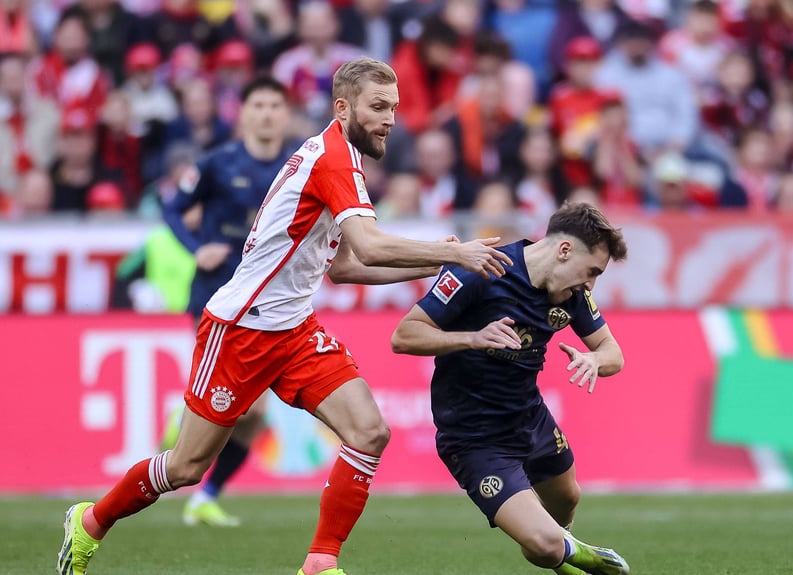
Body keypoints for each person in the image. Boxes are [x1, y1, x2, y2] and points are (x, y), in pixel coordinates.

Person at [58, 56, 514, 575]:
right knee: (186, 467)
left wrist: (433, 263)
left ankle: (320, 563)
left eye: (395, 106)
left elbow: (344, 266)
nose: (391, 118)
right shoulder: (332, 161)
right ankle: (90, 521)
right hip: (240, 330)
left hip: (294, 329)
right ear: (343, 108)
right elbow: (368, 243)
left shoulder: (342, 160)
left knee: (369, 431)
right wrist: (450, 254)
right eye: (379, 107)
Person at [390, 202, 631, 575]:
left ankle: (557, 548)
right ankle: (566, 553)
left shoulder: (572, 294)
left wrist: (594, 360)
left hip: (529, 418)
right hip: (473, 437)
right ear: (564, 250)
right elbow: (404, 336)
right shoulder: (482, 269)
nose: (589, 284)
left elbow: (613, 353)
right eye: (592, 271)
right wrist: (473, 338)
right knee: (545, 544)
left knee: (568, 498)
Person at [158, 75, 295, 527]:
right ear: (243, 112)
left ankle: (206, 496)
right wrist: (196, 246)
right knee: (246, 404)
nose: (268, 113)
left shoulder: (301, 165)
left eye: (276, 105)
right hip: (216, 294)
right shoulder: (217, 163)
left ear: (286, 113)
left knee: (255, 416)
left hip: (269, 301)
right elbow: (171, 207)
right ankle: (189, 415)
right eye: (259, 104)